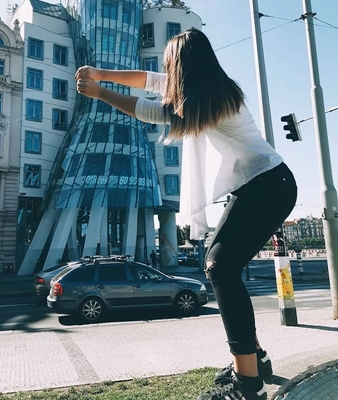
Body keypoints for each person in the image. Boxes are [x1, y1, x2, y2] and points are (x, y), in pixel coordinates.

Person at [75, 28, 296, 400]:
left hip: (269, 187)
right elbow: (147, 81)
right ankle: (254, 358)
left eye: (169, 65)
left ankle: (247, 384)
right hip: (261, 187)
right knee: (220, 267)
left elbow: (153, 111)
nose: (166, 73)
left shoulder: (213, 99)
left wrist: (100, 92)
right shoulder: (206, 88)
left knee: (220, 268)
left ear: (182, 66)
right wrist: (101, 73)